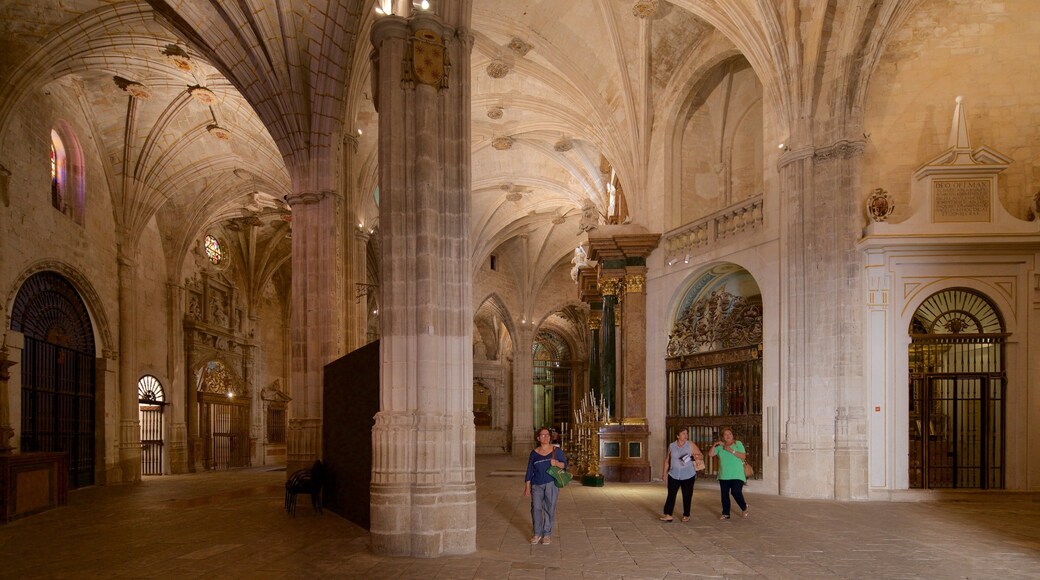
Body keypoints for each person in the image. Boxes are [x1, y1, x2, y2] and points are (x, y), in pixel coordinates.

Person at [524, 427, 567, 545]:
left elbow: (564, 465)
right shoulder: (534, 453)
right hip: (536, 485)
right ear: (538, 438)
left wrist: (556, 463)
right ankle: (537, 533)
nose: (546, 437)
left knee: (549, 508)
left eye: (547, 435)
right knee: (536, 508)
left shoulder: (556, 450)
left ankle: (547, 534)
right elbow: (529, 470)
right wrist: (527, 486)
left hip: (551, 484)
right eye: (542, 435)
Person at [659, 427, 703, 522]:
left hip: (688, 475)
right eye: (683, 433)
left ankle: (686, 514)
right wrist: (664, 473)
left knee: (687, 495)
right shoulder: (671, 446)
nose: (686, 435)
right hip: (673, 474)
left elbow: (701, 455)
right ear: (678, 436)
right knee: (671, 495)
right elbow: (667, 460)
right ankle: (668, 514)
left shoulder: (690, 444)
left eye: (686, 433)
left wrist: (695, 456)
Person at [708, 427, 749, 520]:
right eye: (725, 434)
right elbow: (710, 454)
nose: (728, 436)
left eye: (729, 434)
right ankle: (726, 513)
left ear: (732, 435)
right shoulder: (719, 447)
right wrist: (715, 444)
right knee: (724, 495)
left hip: (737, 474)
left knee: (736, 491)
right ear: (723, 437)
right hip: (724, 474)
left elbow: (743, 456)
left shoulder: (737, 443)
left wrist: (730, 449)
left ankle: (744, 507)